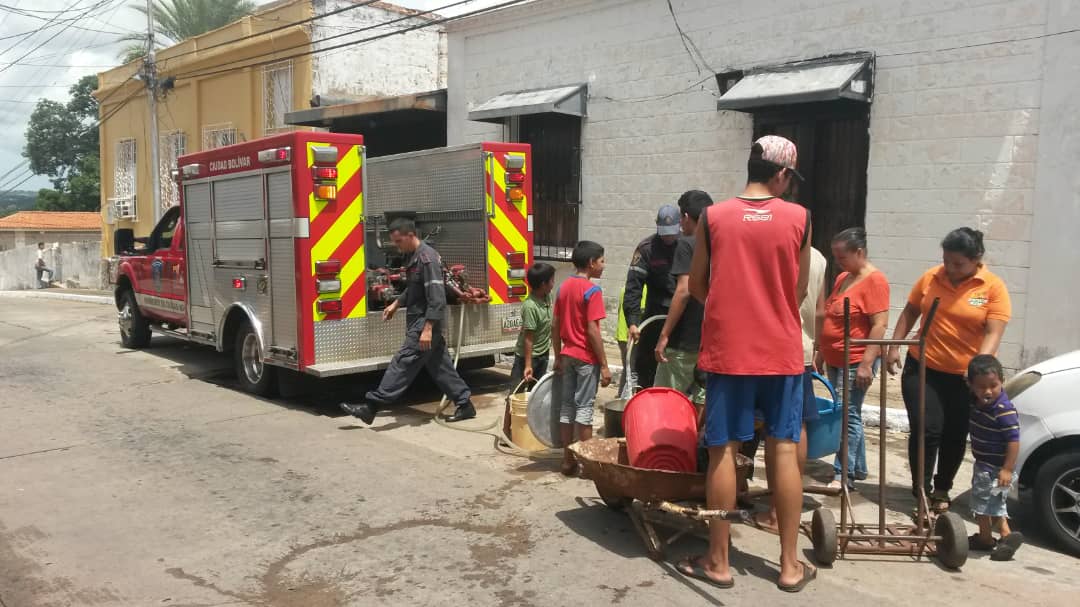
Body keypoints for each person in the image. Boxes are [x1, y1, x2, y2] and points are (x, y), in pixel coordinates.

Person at [682, 135, 816, 592]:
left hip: (728, 350)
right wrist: (773, 309)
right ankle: (789, 565)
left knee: (723, 450)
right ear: (782, 174)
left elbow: (697, 284)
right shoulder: (799, 217)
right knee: (783, 449)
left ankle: (718, 561)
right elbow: (798, 289)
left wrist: (730, 309)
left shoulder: (714, 217)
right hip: (781, 350)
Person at [886, 227, 1011, 514]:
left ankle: (942, 489)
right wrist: (894, 346)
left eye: (958, 264)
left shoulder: (992, 288)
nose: (951, 269)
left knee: (955, 432)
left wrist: (978, 369)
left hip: (964, 377)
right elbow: (910, 311)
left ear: (976, 259)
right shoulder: (931, 277)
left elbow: (993, 333)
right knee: (925, 428)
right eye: (946, 261)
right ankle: (920, 490)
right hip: (923, 367)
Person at [340, 218, 477, 425]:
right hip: (421, 322)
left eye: (398, 241)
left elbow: (437, 297)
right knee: (440, 365)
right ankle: (465, 404)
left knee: (402, 363)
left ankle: (371, 407)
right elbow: (414, 287)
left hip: (424, 323)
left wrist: (428, 328)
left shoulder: (427, 258)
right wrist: (396, 304)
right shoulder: (414, 257)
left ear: (411, 235)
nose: (397, 246)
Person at [750, 243, 827, 532]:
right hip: (803, 351)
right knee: (798, 427)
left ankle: (774, 511)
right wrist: (816, 347)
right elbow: (820, 311)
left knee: (776, 433)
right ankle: (784, 508)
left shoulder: (773, 251)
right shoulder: (818, 258)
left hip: (771, 351)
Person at [816, 228, 890, 490]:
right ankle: (857, 468)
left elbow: (879, 325)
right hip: (836, 357)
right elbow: (831, 316)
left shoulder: (875, 281)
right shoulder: (844, 277)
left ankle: (842, 474)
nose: (838, 263)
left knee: (846, 415)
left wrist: (867, 363)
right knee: (848, 412)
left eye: (842, 257)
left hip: (857, 358)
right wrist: (821, 353)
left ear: (859, 252)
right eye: (835, 257)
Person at [552, 240, 612, 476]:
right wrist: (605, 365)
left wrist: (558, 355)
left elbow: (555, 325)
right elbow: (593, 330)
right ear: (591, 263)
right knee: (584, 408)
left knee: (567, 407)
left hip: (567, 354)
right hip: (586, 358)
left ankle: (568, 461)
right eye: (602, 261)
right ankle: (588, 465)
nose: (604, 265)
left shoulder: (563, 287)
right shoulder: (592, 291)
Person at [654, 190, 712, 409]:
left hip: (685, 338)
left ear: (686, 217)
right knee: (702, 399)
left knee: (665, 399)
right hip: (710, 338)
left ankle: (668, 443)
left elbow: (684, 291)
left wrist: (664, 335)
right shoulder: (721, 242)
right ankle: (694, 441)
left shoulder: (687, 244)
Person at [965, 354, 1024, 560]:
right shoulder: (978, 401)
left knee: (981, 505)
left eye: (993, 385)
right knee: (996, 503)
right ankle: (1007, 536)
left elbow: (1014, 441)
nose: (988, 391)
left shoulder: (1003, 409)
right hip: (993, 468)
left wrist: (1007, 469)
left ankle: (985, 538)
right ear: (971, 385)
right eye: (981, 386)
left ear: (1002, 382)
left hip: (992, 468)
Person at [623, 205, 680, 390]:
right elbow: (633, 287)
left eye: (671, 233)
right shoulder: (646, 249)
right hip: (655, 316)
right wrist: (632, 321)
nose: (668, 237)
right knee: (647, 366)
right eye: (664, 233)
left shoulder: (689, 245)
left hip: (683, 317)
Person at [502, 262, 556, 438]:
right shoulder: (530, 306)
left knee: (536, 396)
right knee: (515, 395)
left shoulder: (547, 298)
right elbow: (528, 338)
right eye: (551, 281)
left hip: (542, 355)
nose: (553, 283)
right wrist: (527, 365)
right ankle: (506, 432)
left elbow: (552, 327)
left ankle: (533, 433)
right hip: (527, 357)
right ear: (542, 284)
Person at [615, 284, 645, 399]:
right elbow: (641, 312)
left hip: (622, 334)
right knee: (631, 371)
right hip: (631, 336)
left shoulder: (625, 288)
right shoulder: (643, 288)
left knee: (627, 369)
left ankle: (621, 397)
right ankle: (626, 400)